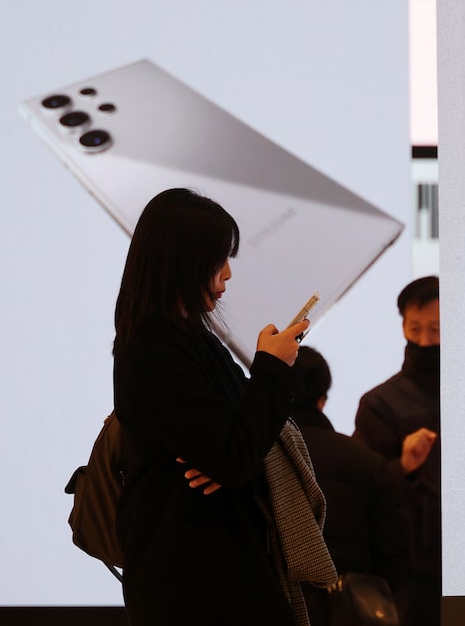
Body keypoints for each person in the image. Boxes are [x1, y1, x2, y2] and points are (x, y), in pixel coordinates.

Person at [112, 187, 318, 626]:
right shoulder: (153, 349)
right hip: (190, 580)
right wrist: (270, 370)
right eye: (217, 259)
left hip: (217, 569)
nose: (227, 274)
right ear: (181, 263)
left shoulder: (190, 340)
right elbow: (235, 452)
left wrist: (226, 453)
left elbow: (234, 444)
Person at [291, 346, 410, 626]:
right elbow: (394, 553)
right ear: (322, 399)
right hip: (350, 611)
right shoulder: (366, 462)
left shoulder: (255, 459)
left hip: (275, 608)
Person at [353, 276, 441, 626]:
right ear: (403, 324)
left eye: (435, 329)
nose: (423, 340)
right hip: (413, 566)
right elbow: (366, 488)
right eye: (414, 327)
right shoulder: (379, 404)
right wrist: (404, 465)